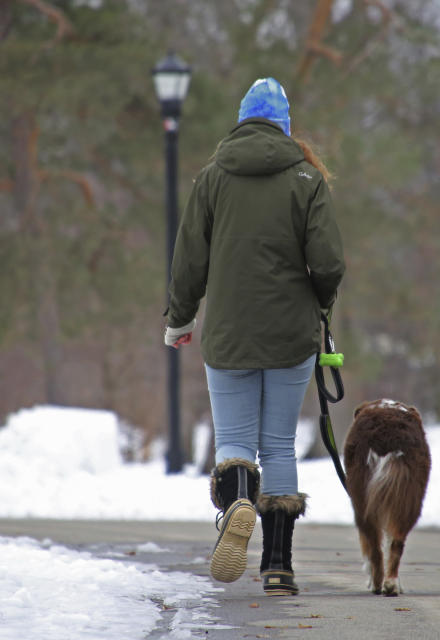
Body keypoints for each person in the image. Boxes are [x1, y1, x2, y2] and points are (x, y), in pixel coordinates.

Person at [163, 77, 345, 596]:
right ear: (286, 126)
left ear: (242, 120)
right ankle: (278, 566)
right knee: (279, 445)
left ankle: (239, 501)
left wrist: (179, 319)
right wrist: (319, 302)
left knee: (237, 441)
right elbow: (330, 262)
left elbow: (188, 260)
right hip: (291, 333)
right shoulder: (308, 178)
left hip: (227, 333)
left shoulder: (212, 177)